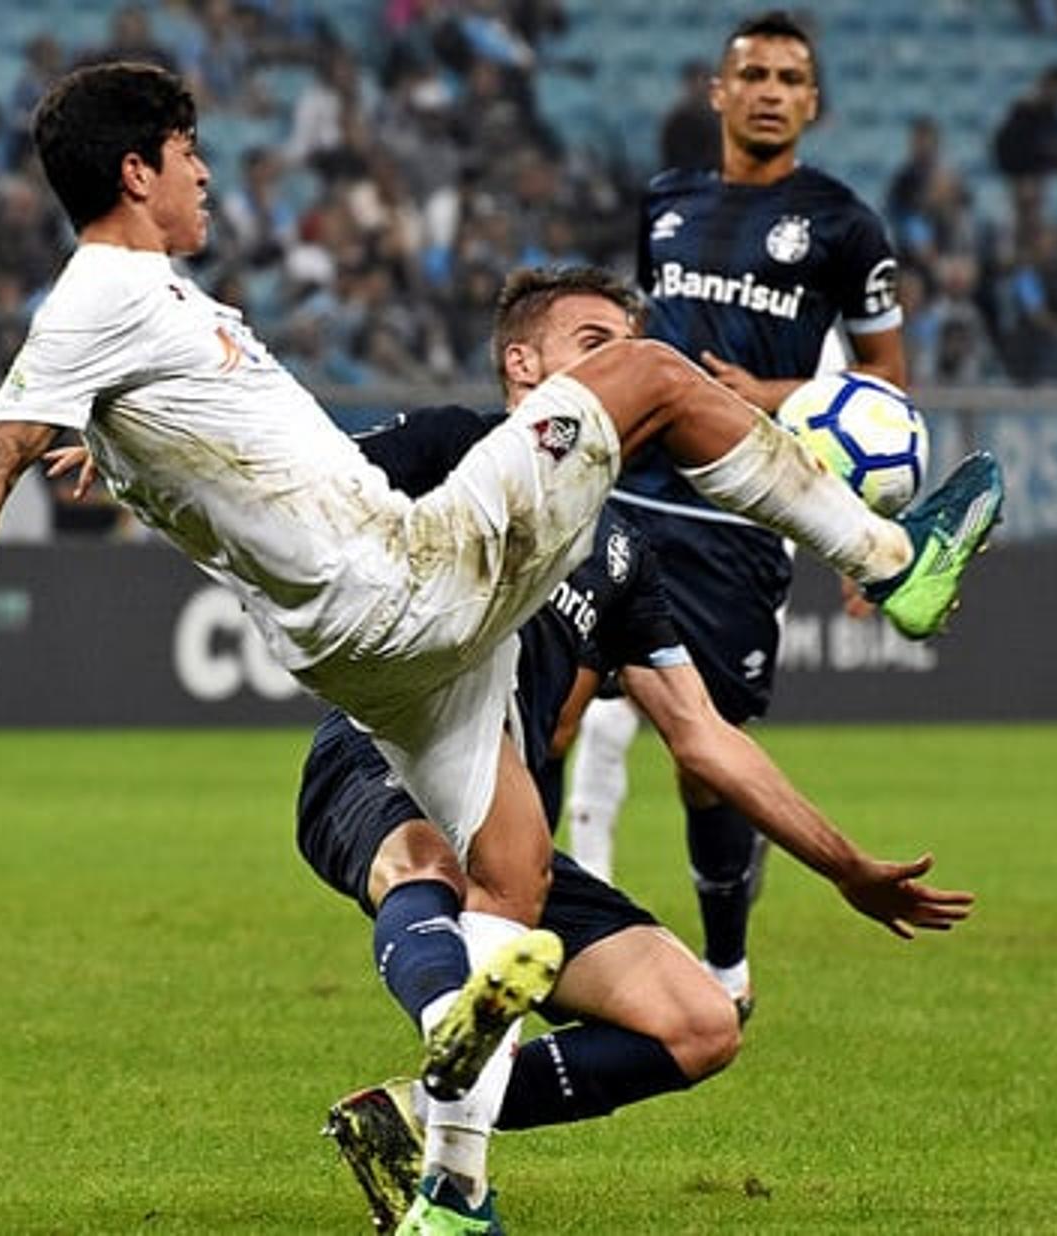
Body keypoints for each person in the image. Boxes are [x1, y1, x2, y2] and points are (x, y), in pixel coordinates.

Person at [0, 62, 1001, 1228]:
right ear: (136, 170)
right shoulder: (99, 297)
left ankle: (451, 1190)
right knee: (654, 374)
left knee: (512, 871)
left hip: (377, 660)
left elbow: (196, 446)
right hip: (403, 576)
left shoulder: (150, 317)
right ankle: (889, 561)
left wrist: (110, 457)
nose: (205, 171)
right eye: (187, 150)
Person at [298, 267, 973, 1233]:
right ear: (521, 365)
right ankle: (456, 1065)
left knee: (699, 1024)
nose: (617, 363)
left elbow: (705, 739)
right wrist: (142, 462)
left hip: (511, 834)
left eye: (628, 343)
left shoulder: (619, 554)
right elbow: (300, 482)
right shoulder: (455, 445)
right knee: (437, 865)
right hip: (379, 760)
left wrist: (845, 868)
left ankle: (418, 1110)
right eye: (594, 343)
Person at [564, 11, 913, 1021]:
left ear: (813, 102)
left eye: (789, 78)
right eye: (751, 73)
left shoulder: (846, 227)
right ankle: (556, 926)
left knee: (703, 760)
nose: (768, 89)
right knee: (557, 712)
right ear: (717, 93)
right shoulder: (666, 203)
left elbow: (885, 382)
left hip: (738, 522)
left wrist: (772, 409)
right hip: (620, 496)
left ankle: (723, 958)